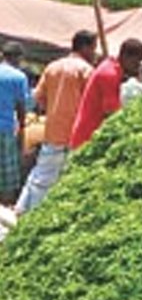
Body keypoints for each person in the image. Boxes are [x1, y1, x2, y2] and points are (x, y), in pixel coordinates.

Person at [15, 30, 98, 213]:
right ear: (85, 47)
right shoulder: (86, 71)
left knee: (41, 175)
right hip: (75, 133)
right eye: (93, 48)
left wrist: (54, 110)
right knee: (68, 178)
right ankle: (36, 215)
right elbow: (91, 102)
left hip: (53, 131)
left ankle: (23, 208)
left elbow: (39, 98)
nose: (94, 53)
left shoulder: (53, 67)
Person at [68, 38, 142, 153]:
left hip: (91, 136)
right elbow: (112, 114)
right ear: (125, 56)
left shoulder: (111, 68)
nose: (138, 66)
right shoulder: (110, 74)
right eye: (136, 61)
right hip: (88, 139)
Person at [0, 42, 30, 206]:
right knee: (7, 178)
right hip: (4, 129)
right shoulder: (18, 77)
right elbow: (21, 106)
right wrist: (22, 127)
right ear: (17, 58)